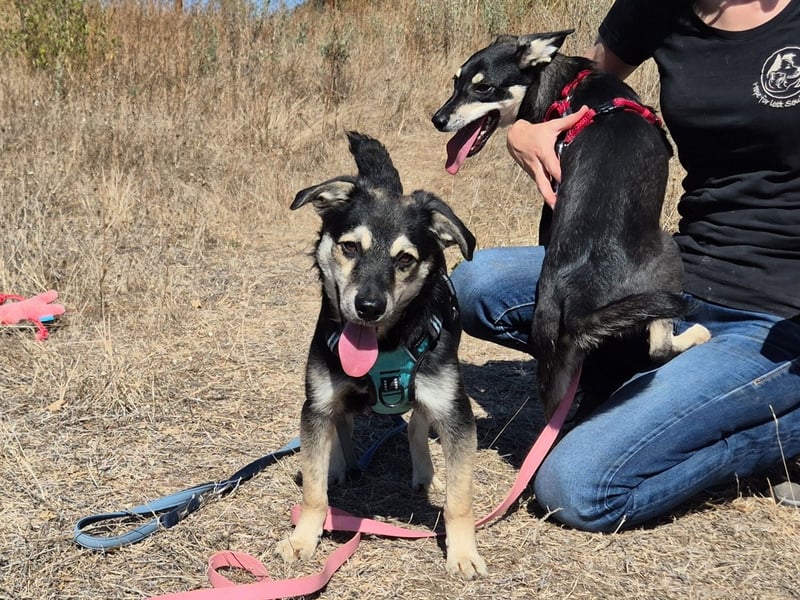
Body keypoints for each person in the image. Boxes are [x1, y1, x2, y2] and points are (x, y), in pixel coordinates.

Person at [450, 0, 800, 532]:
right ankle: (639, 368)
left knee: (576, 488)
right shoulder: (656, 7)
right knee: (473, 284)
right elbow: (573, 87)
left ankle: (774, 431)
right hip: (669, 269)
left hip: (773, 316)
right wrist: (524, 130)